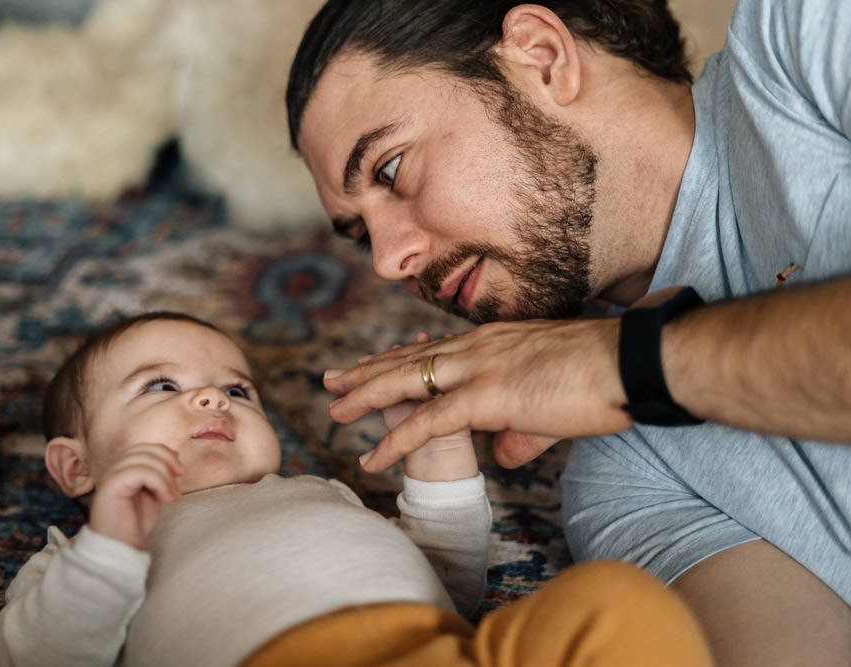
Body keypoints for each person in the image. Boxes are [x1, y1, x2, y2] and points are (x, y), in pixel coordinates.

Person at [285, 0, 851, 664]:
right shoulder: (620, 480)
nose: (387, 261)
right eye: (360, 237)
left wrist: (620, 363)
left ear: (541, 57)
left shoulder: (804, 37)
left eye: (389, 169)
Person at [0, 311, 711, 666]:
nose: (212, 401)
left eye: (236, 388)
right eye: (162, 386)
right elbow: (31, 658)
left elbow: (450, 584)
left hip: (440, 650)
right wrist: (110, 547)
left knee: (618, 602)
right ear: (76, 468)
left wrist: (437, 449)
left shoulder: (320, 494)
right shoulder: (80, 561)